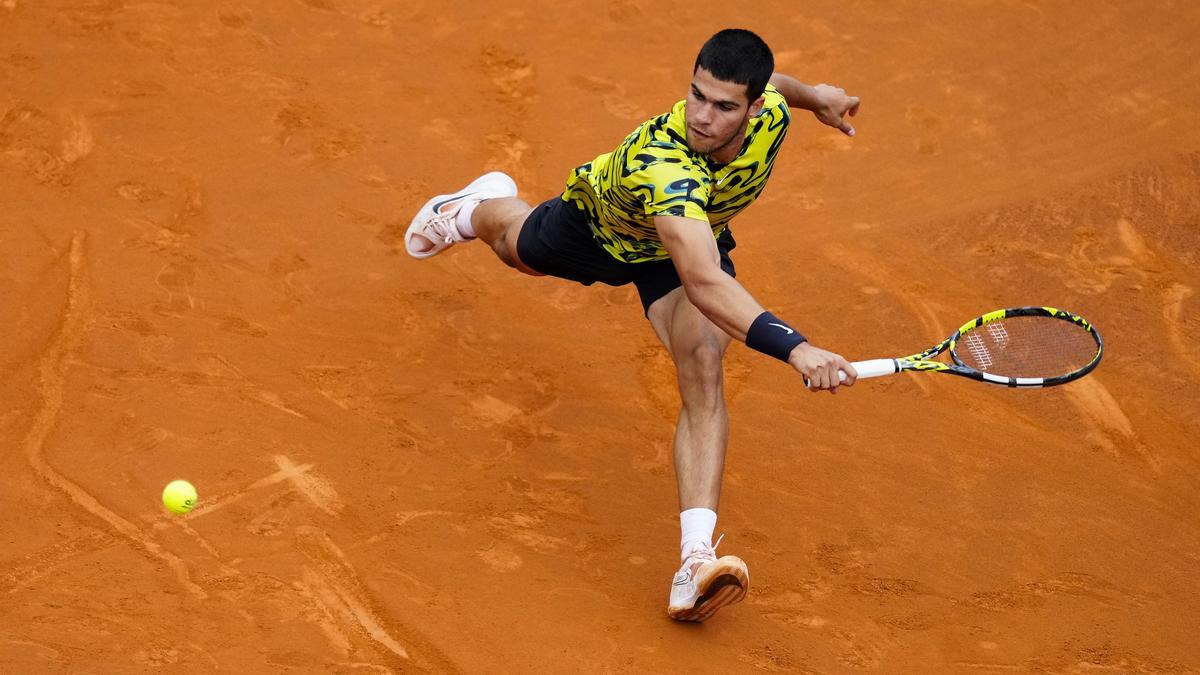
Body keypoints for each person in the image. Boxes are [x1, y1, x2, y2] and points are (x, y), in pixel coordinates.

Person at [405, 28, 860, 622]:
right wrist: (795, 348)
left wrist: (817, 95)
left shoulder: (770, 108)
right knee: (514, 245)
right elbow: (703, 281)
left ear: (751, 109)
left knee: (702, 363)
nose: (702, 116)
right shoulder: (666, 165)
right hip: (596, 230)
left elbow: (775, 83)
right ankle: (465, 209)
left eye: (724, 106)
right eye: (697, 95)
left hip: (690, 237)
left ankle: (695, 560)